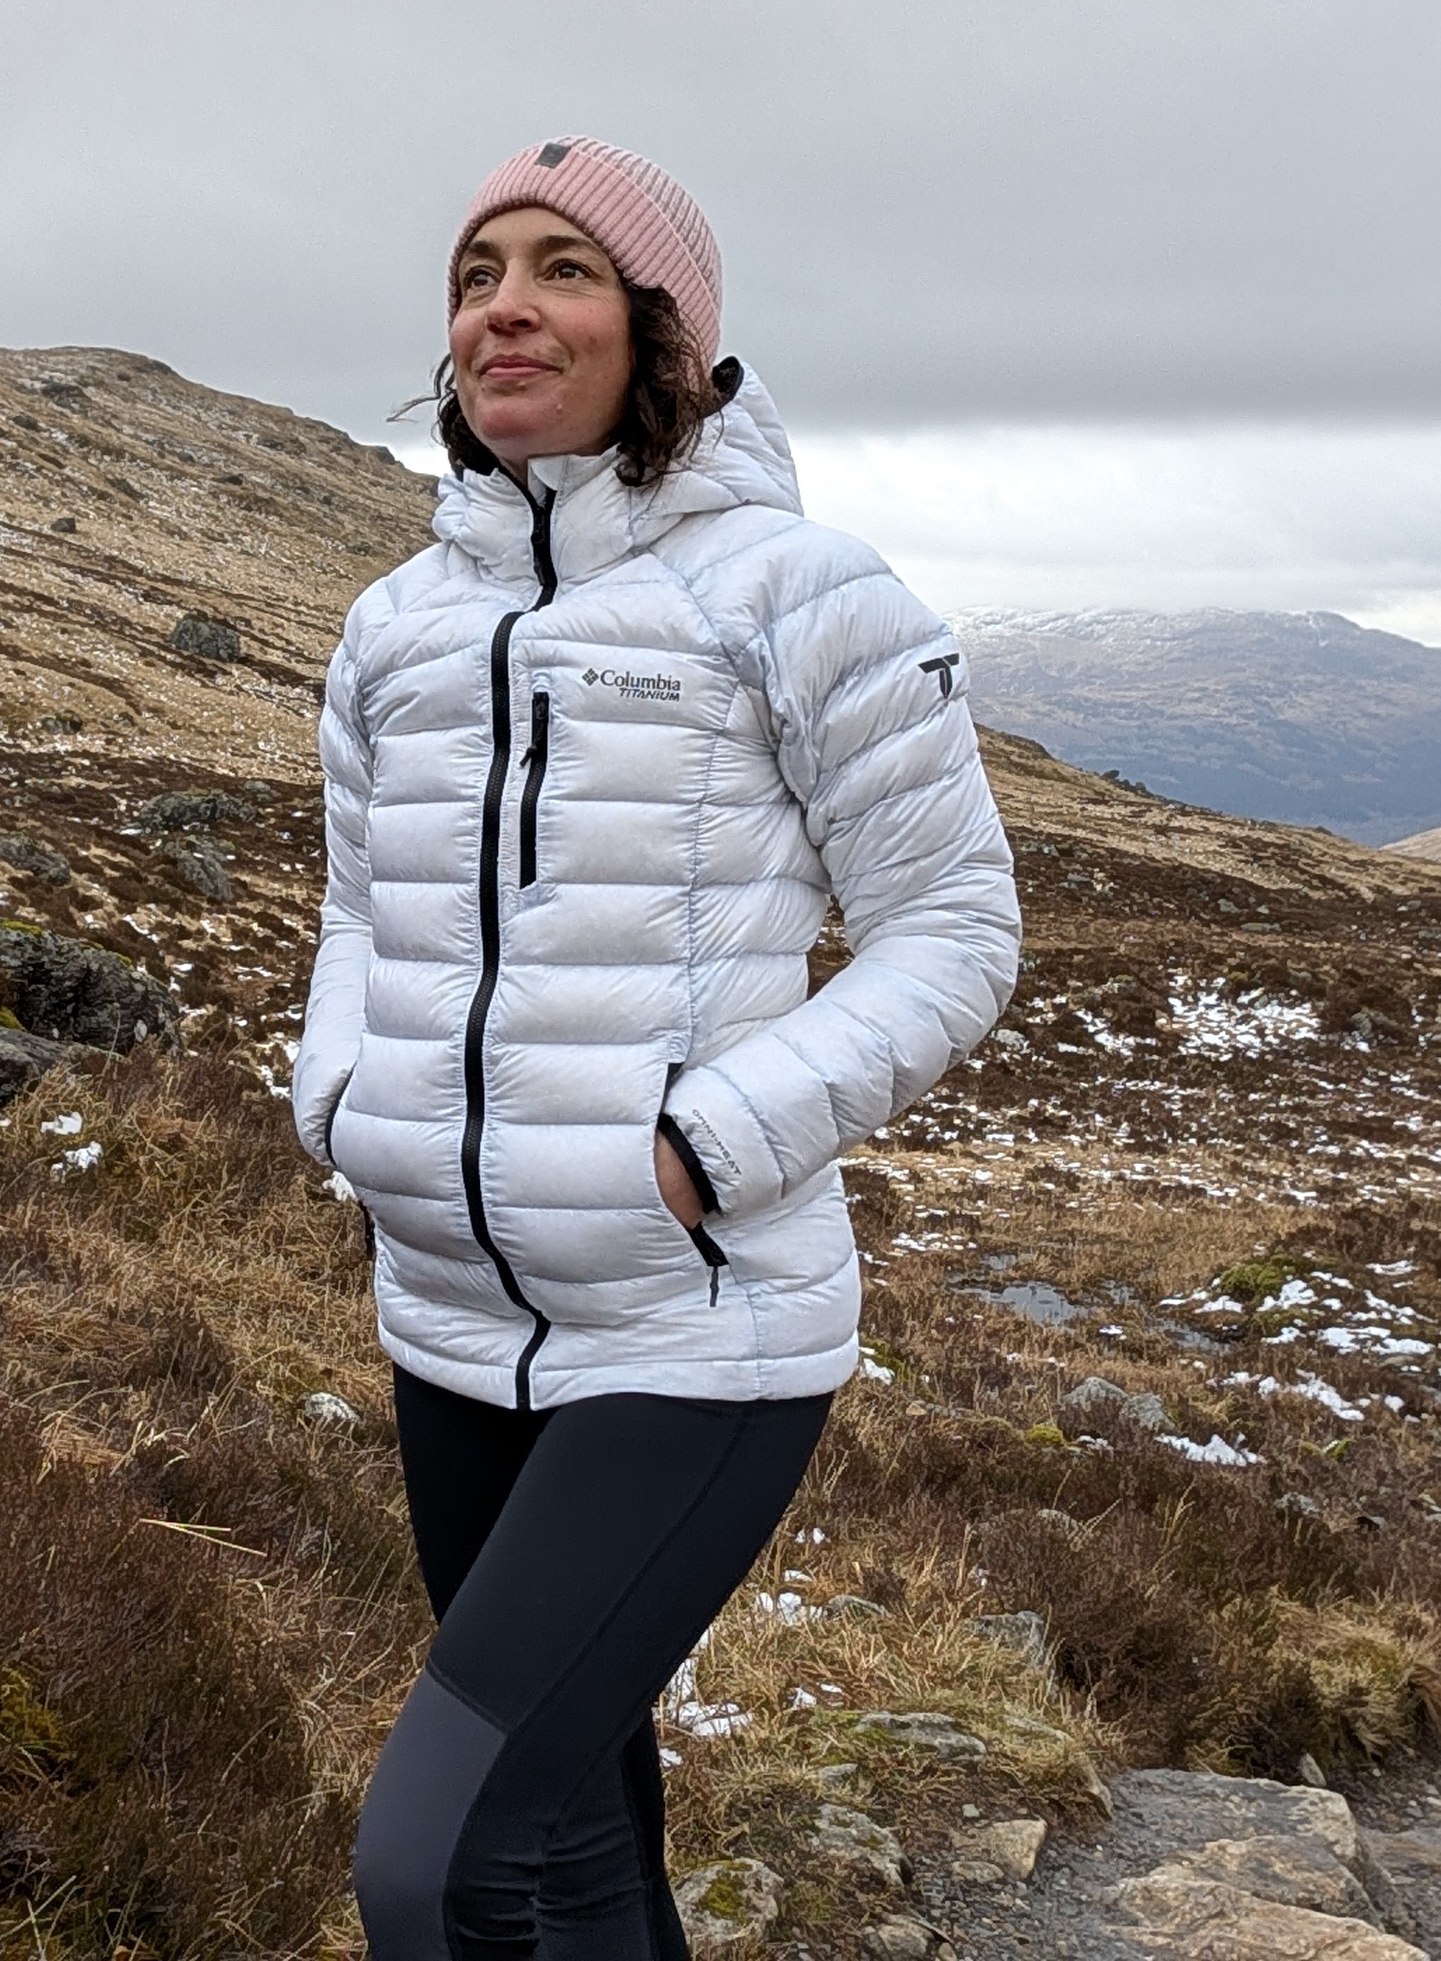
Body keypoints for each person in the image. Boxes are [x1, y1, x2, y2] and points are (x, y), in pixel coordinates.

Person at [295, 137, 1022, 1961]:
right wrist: (341, 1102)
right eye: (477, 274)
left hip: (694, 1335)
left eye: (561, 269)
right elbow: (354, 915)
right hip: (450, 1320)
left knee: (437, 1863)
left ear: (661, 330)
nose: (505, 309)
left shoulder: (798, 592)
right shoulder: (397, 626)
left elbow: (955, 930)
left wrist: (713, 1143)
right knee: (565, 1846)